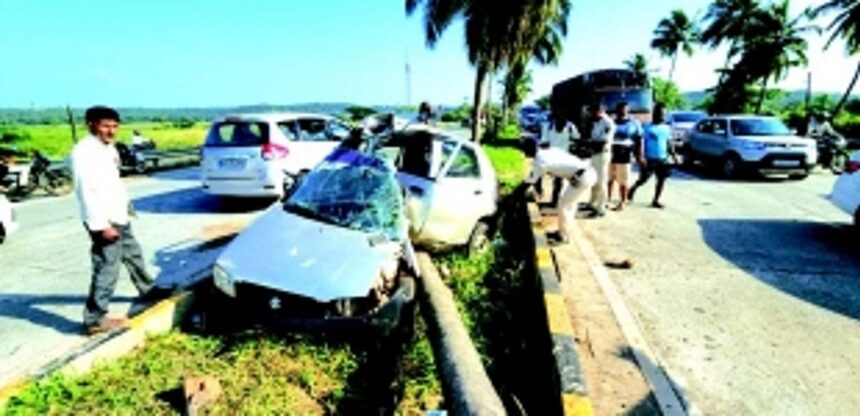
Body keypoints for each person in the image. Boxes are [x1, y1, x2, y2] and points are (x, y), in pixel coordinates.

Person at [72, 106, 164, 335]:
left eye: (114, 126)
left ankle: (148, 289)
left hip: (118, 215)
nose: (111, 131)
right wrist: (101, 225)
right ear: (91, 125)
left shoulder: (107, 148)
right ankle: (94, 319)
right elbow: (86, 191)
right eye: (105, 126)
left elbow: (111, 183)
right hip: (103, 220)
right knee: (107, 267)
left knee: (133, 253)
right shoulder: (84, 152)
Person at [524, 140, 597, 244]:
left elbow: (530, 181)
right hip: (586, 172)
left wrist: (513, 195)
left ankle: (563, 236)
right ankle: (565, 232)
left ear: (528, 151)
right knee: (569, 206)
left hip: (582, 177)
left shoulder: (540, 161)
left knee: (564, 206)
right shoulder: (549, 151)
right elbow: (537, 176)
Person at [628, 103, 679, 209]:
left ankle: (656, 200)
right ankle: (632, 189)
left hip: (663, 159)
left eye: (664, 114)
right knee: (643, 180)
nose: (662, 116)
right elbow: (639, 142)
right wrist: (640, 156)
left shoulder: (666, 128)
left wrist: (674, 156)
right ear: (654, 113)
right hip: (649, 159)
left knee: (661, 180)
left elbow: (669, 143)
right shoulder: (646, 127)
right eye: (660, 113)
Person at [538, 113, 581, 204]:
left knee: (558, 180)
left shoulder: (570, 127)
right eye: (559, 121)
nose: (561, 123)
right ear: (555, 120)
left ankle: (555, 200)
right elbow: (543, 143)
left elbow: (577, 139)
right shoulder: (548, 127)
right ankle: (539, 191)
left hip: (563, 157)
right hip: (550, 156)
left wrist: (572, 146)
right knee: (539, 174)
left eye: (564, 122)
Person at [608, 101, 643, 211]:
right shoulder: (611, 122)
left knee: (623, 180)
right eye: (620, 110)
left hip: (625, 153)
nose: (622, 112)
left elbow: (639, 138)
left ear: (628, 110)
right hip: (610, 152)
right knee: (609, 178)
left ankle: (622, 202)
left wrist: (640, 154)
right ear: (616, 111)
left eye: (624, 109)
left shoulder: (634, 123)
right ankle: (606, 200)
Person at [585, 103, 616, 217]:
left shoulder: (608, 123)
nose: (590, 114)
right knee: (594, 180)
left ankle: (601, 208)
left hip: (602, 154)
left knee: (601, 181)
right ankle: (592, 202)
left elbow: (603, 142)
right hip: (594, 154)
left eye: (592, 111)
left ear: (600, 111)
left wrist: (588, 143)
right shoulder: (595, 122)